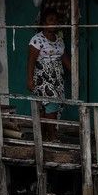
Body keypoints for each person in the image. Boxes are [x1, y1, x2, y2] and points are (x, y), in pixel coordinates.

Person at [27, 8, 70, 139]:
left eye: (56, 20)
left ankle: (44, 136)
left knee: (54, 105)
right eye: (51, 20)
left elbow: (65, 59)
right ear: (44, 23)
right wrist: (29, 80)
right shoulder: (36, 40)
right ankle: (52, 136)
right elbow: (31, 61)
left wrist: (75, 75)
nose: (54, 22)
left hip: (57, 78)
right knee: (51, 103)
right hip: (42, 77)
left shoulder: (59, 40)